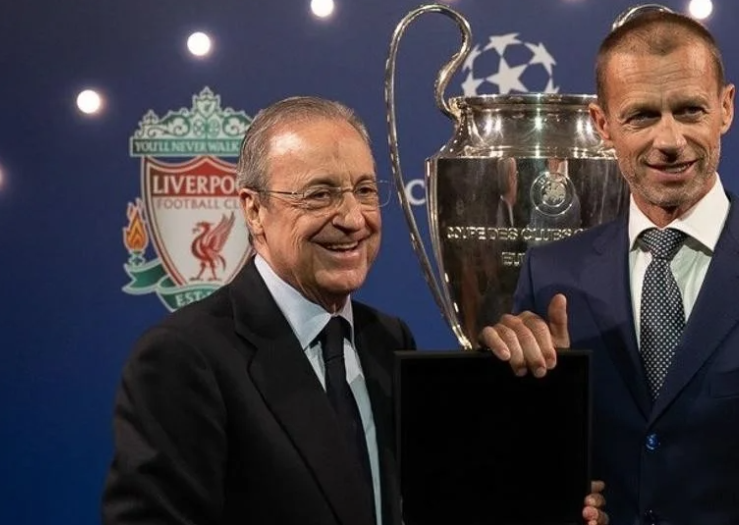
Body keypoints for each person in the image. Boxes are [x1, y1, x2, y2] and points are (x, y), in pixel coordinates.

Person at [101, 96, 608, 525]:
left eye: (365, 191)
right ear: (253, 210)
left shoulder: (386, 339)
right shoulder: (184, 358)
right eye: (319, 194)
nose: (352, 218)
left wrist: (542, 449)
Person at [481, 11, 739, 525]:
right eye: (642, 116)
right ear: (602, 125)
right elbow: (523, 475)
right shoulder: (551, 276)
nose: (670, 139)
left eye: (690, 110)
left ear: (726, 108)